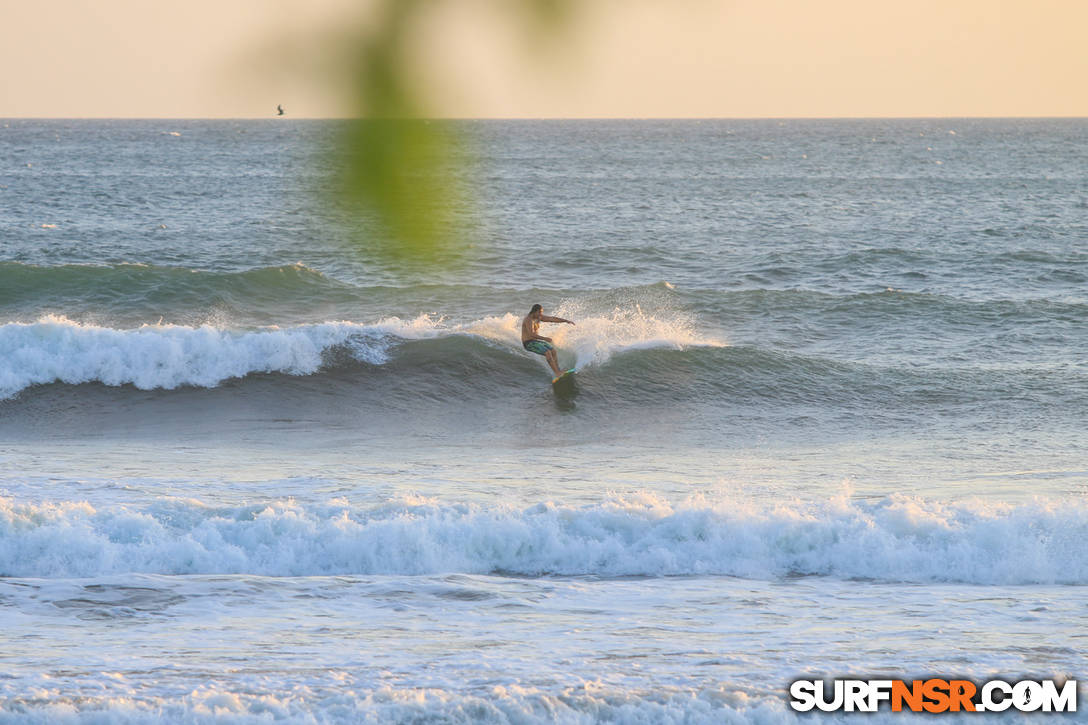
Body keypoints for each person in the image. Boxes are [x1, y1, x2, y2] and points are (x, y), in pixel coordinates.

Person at [521, 304, 574, 377]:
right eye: (539, 312)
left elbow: (552, 319)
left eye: (541, 312)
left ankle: (558, 371)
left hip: (536, 342)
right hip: (528, 343)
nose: (541, 314)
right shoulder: (528, 320)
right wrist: (545, 338)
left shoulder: (538, 317)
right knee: (547, 352)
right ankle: (557, 373)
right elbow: (531, 334)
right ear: (534, 311)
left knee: (553, 351)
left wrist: (565, 321)